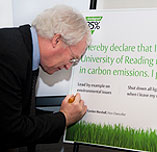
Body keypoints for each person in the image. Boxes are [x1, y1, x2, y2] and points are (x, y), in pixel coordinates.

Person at [0, 5, 91, 151]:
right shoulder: (10, 55)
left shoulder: (22, 48)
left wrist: (64, 115)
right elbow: (10, 130)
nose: (69, 67)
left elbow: (19, 113)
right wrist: (64, 118)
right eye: (73, 59)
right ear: (56, 40)